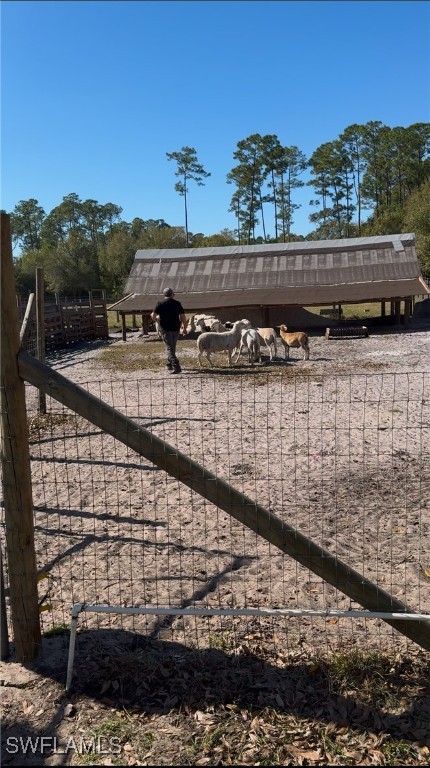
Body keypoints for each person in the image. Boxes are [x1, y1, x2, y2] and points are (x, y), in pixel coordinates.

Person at [151, 288, 187, 374]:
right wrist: (184, 328)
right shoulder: (177, 303)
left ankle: (176, 366)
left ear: (164, 295)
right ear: (172, 294)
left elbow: (153, 315)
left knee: (169, 348)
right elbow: (183, 317)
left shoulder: (160, 303)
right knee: (172, 347)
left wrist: (157, 320)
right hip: (176, 329)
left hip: (165, 329)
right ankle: (169, 364)